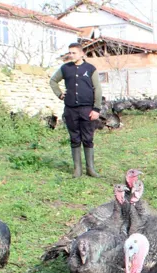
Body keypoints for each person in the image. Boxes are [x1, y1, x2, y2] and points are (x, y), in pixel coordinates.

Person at [50, 43, 102, 178]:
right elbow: (53, 81)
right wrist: (60, 94)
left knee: (88, 138)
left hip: (87, 109)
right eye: (70, 53)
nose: (71, 55)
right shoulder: (65, 68)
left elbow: (97, 89)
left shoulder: (90, 69)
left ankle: (90, 169)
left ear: (81, 53)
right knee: (74, 138)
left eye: (74, 53)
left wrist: (96, 108)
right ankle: (77, 170)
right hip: (70, 109)